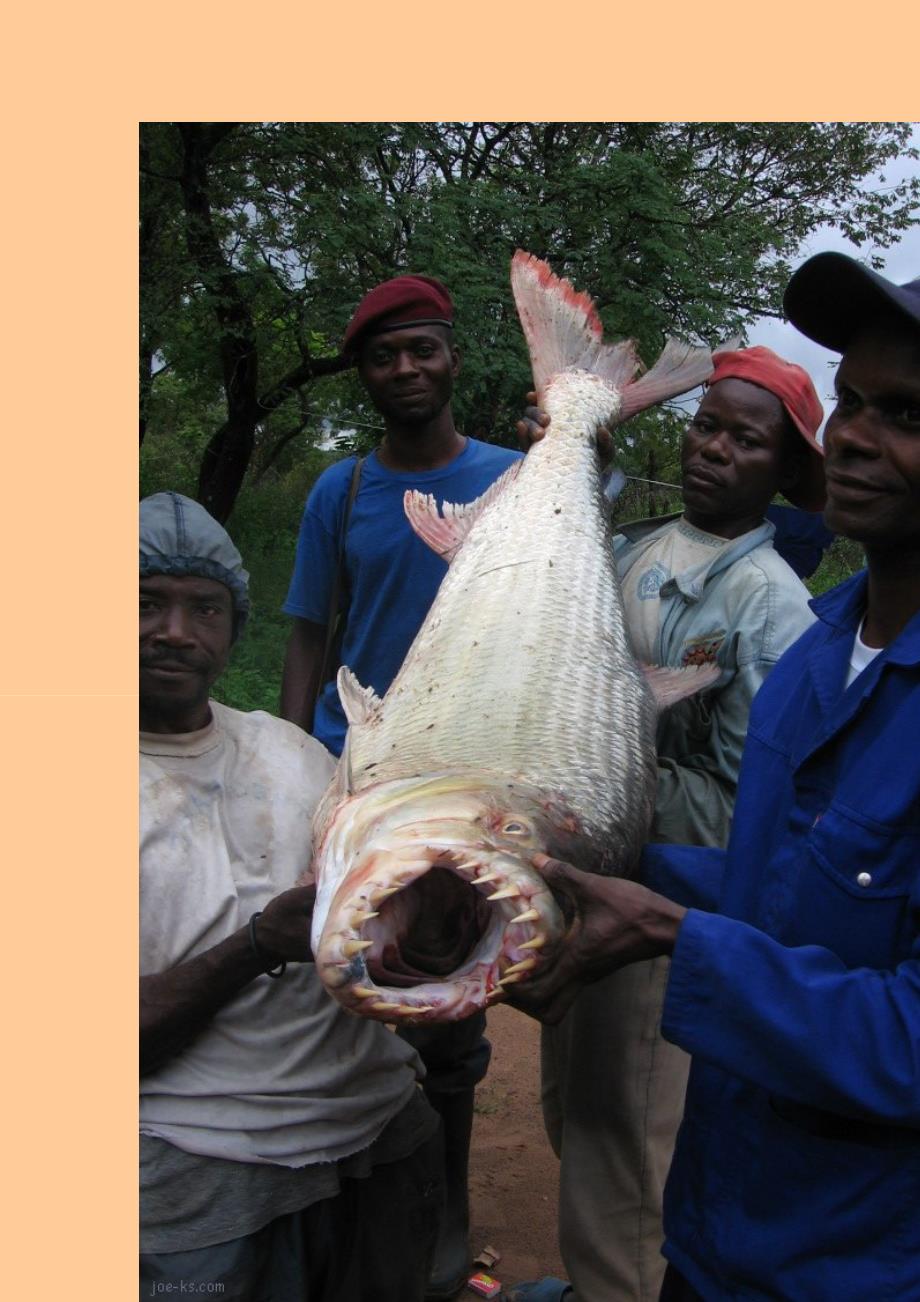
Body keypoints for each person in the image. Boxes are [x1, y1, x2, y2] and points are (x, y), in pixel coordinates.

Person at [509, 254, 920, 1301]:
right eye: (855, 404)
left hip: (854, 1265)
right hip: (715, 1225)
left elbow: (905, 1041)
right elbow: (771, 881)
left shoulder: (772, 616)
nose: (861, 437)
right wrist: (584, 862)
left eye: (908, 414)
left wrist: (664, 934)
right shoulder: (818, 661)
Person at [520, 346, 826, 1302]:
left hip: (660, 912)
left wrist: (603, 772)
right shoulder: (637, 548)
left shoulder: (771, 603)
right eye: (707, 426)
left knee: (633, 1139)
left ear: (783, 472)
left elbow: (750, 810)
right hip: (589, 876)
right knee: (576, 1105)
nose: (714, 451)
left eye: (746, 439)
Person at [280, 274, 520, 1300]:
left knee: (446, 1009)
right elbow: (306, 634)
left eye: (422, 349)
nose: (406, 370)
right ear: (365, 375)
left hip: (458, 787)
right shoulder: (338, 494)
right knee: (339, 989)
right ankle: (336, 1215)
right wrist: (291, 761)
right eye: (385, 357)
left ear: (451, 356)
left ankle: (443, 1227)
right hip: (359, 781)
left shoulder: (514, 480)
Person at [139, 491, 443, 1302]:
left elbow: (393, 944)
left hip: (379, 1135)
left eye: (203, 608)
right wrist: (259, 945)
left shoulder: (293, 751)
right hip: (203, 1171)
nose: (176, 631)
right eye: (144, 604)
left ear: (233, 629)